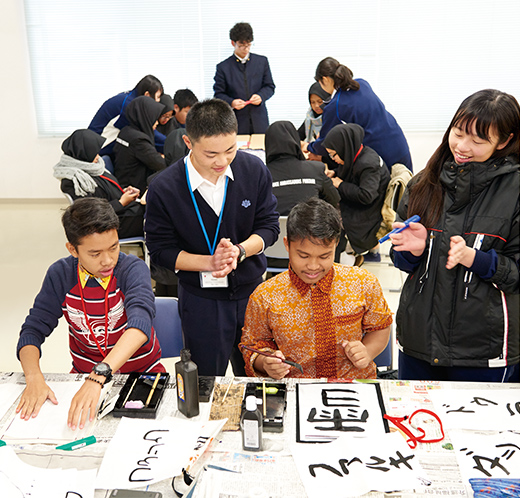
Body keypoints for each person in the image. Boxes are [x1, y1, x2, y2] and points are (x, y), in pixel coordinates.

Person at [390, 89, 520, 383]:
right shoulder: (423, 183)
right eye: (458, 132)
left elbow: (517, 273)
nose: (462, 146)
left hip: (481, 350)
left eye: (478, 140)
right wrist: (414, 251)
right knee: (416, 425)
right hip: (418, 342)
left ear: (505, 140)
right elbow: (402, 262)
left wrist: (477, 260)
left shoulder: (515, 191)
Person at [145, 98, 279, 376]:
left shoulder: (253, 171)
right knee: (205, 380)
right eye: (210, 154)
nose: (221, 161)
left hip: (252, 293)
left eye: (230, 150)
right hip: (201, 301)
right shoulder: (165, 187)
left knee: (259, 378)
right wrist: (209, 263)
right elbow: (160, 251)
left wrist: (240, 251)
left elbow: (269, 227)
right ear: (188, 142)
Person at [16, 198, 165, 430]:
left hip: (142, 374)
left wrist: (100, 374)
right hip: (84, 377)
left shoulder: (131, 269)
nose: (107, 261)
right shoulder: (61, 275)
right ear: (72, 249)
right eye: (95, 253)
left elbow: (140, 325)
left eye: (114, 247)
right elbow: (32, 330)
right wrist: (34, 377)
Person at [240, 198, 392, 379]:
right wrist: (266, 363)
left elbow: (380, 327)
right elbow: (253, 345)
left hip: (352, 384)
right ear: (287, 245)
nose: (313, 266)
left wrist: (367, 351)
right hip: (296, 387)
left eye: (324, 256)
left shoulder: (363, 283)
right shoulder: (266, 295)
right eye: (303, 256)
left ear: (336, 244)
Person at [306, 57, 412, 172]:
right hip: (398, 142)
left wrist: (308, 147)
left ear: (325, 79)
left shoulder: (335, 106)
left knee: (390, 187)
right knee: (407, 184)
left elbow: (324, 143)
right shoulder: (362, 83)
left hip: (382, 153)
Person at [54, 129, 146, 238]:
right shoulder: (74, 180)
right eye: (94, 153)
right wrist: (121, 202)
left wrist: (123, 191)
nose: (98, 156)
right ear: (83, 153)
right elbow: (91, 215)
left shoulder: (93, 167)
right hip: (110, 223)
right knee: (157, 218)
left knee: (154, 209)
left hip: (120, 213)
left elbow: (105, 189)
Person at [323, 123, 390, 260]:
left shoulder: (368, 164)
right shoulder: (356, 153)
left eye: (333, 155)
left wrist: (340, 185)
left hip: (369, 210)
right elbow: (352, 172)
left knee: (329, 215)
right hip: (363, 202)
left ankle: (341, 257)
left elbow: (367, 195)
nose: (333, 159)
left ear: (344, 149)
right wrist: (334, 172)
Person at [266, 120, 339, 216]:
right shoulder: (316, 169)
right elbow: (335, 200)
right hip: (312, 227)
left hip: (275, 229)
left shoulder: (261, 175)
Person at [213, 22, 275, 134]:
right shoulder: (223, 67)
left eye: (248, 44)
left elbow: (270, 86)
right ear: (233, 43)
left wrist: (261, 96)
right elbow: (218, 95)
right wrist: (232, 102)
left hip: (259, 120)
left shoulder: (262, 62)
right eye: (241, 45)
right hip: (236, 121)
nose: (245, 49)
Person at [88, 75, 164, 156]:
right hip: (96, 151)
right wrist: (172, 145)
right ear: (147, 95)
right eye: (158, 97)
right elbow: (148, 133)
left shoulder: (129, 98)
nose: (158, 101)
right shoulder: (129, 107)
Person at [113, 96, 167, 193]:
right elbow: (161, 164)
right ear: (145, 117)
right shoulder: (139, 140)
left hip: (123, 183)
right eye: (154, 118)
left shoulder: (125, 131)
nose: (157, 122)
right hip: (135, 192)